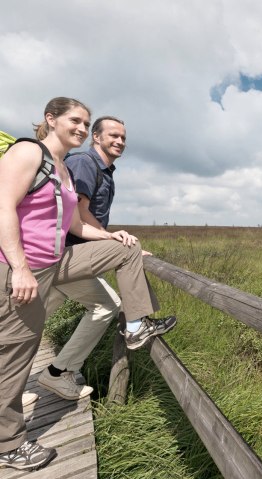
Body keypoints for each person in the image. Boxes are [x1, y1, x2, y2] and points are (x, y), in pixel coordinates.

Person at [0, 97, 175, 471]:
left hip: (51, 264)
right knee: (13, 353)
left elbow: (74, 225)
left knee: (21, 351)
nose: (80, 128)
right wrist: (20, 267)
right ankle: (8, 444)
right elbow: (3, 206)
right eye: (75, 121)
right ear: (51, 119)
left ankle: (130, 329)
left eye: (85, 122)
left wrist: (114, 239)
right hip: (23, 268)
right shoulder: (27, 152)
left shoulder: (63, 167)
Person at [36, 115, 168, 402]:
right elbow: (79, 214)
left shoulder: (105, 172)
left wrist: (114, 242)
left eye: (123, 137)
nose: (119, 141)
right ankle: (136, 326)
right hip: (65, 255)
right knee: (25, 323)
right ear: (96, 137)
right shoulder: (85, 163)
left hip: (68, 258)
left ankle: (57, 373)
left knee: (31, 322)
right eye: (113, 136)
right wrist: (116, 243)